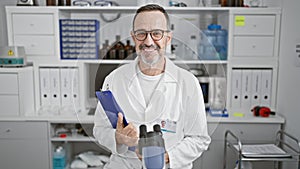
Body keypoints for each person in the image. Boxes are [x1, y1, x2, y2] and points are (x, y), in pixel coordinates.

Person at [93, 4, 211, 169]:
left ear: (167, 38)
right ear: (133, 38)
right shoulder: (114, 79)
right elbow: (99, 129)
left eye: (156, 33)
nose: (148, 42)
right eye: (141, 34)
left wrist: (166, 157)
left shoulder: (188, 82)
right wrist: (118, 138)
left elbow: (199, 138)